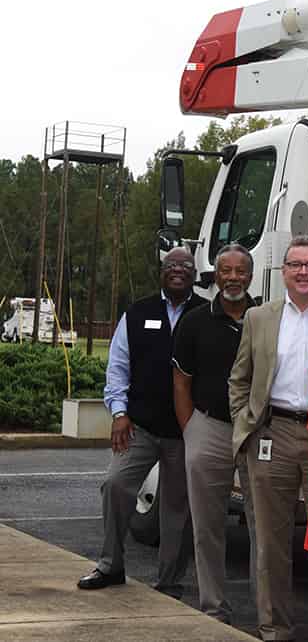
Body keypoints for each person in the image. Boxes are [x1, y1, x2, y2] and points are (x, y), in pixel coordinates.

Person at [229, 235, 308, 641]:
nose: (304, 272)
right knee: (270, 545)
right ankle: (274, 630)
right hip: (271, 434)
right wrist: (245, 423)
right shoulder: (259, 317)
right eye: (296, 264)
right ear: (284, 272)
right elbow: (239, 378)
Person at [78, 247, 205, 594]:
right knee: (116, 485)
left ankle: (169, 580)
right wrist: (119, 412)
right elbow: (117, 369)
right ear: (161, 271)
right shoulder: (137, 313)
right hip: (140, 427)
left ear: (195, 273)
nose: (178, 269)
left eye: (185, 265)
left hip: (185, 431)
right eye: (171, 265)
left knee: (177, 507)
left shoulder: (205, 313)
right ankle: (110, 565)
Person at [171, 243, 258, 623]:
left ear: (251, 276)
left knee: (264, 527)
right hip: (208, 428)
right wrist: (191, 429)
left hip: (257, 431)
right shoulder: (194, 321)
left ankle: (266, 611)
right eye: (226, 271)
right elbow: (180, 381)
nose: (233, 278)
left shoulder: (267, 317)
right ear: (216, 275)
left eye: (240, 271)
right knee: (207, 527)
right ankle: (213, 609)